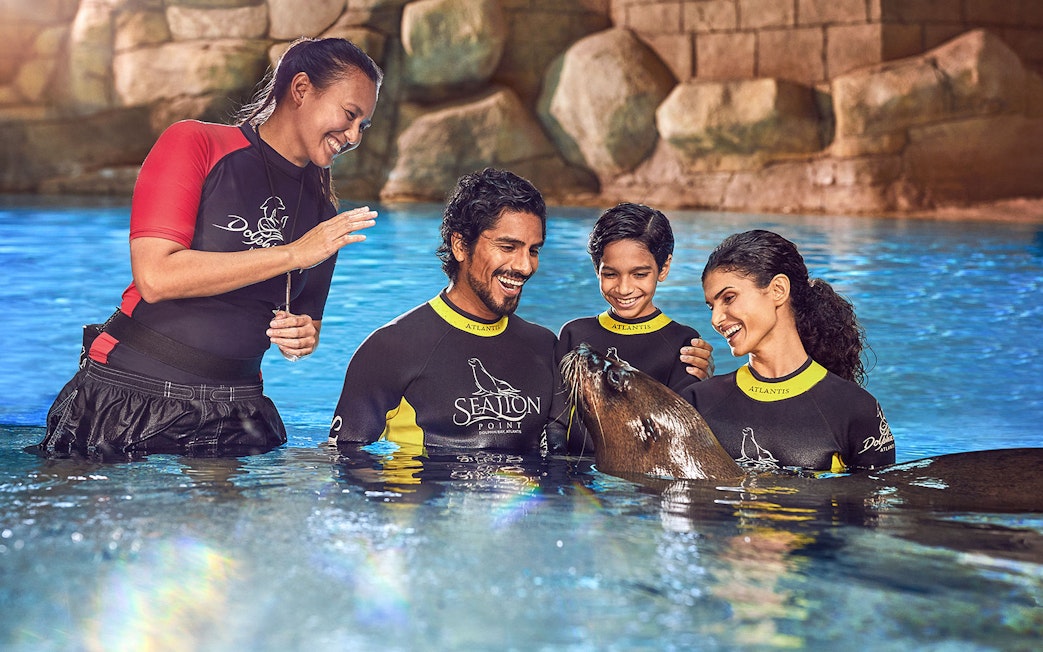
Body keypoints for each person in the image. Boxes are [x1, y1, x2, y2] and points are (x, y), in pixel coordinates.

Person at [34, 37, 384, 460]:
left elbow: (307, 323)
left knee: (228, 528)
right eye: (349, 115)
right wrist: (293, 253)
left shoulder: (322, 211)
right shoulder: (195, 142)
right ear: (301, 89)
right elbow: (156, 277)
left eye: (362, 126)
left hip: (235, 409)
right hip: (128, 389)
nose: (352, 136)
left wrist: (301, 337)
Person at [329, 168, 568, 453]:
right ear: (460, 246)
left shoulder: (544, 347)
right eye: (508, 247)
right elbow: (345, 465)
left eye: (533, 250)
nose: (525, 266)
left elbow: (560, 461)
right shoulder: (390, 348)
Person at [682, 229, 895, 473]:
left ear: (778, 290)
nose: (717, 319)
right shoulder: (698, 403)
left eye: (728, 298)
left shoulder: (856, 409)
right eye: (711, 306)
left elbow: (873, 504)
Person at [555, 202, 713, 454]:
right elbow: (557, 420)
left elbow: (678, 432)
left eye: (639, 275)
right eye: (610, 274)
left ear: (664, 268)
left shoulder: (682, 342)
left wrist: (706, 389)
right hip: (577, 473)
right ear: (597, 268)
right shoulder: (575, 334)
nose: (624, 288)